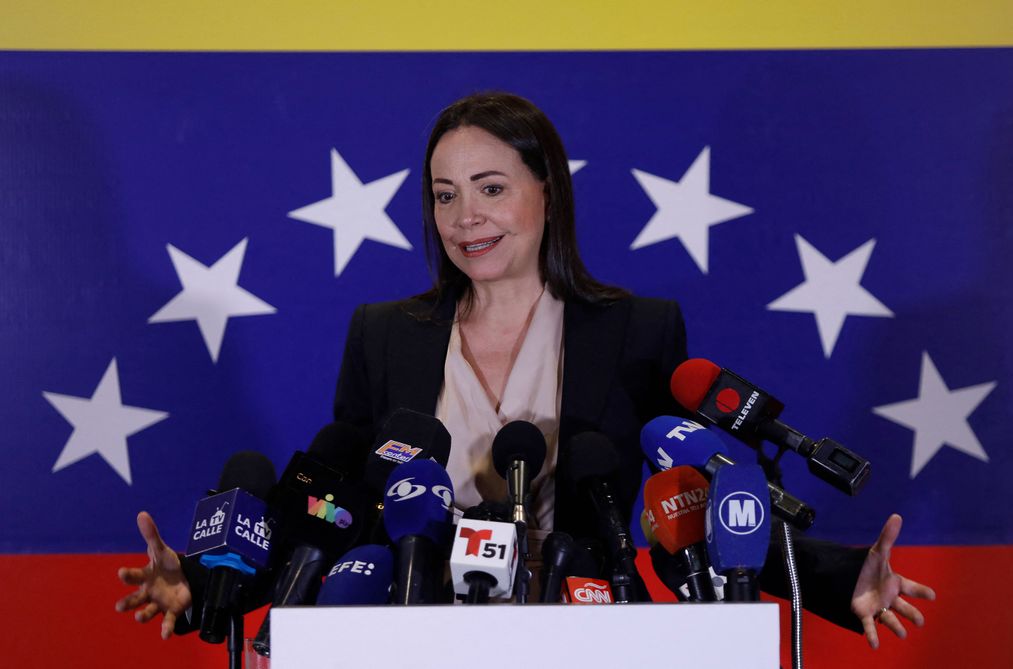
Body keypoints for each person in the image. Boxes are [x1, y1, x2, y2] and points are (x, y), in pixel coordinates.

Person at [116, 91, 935, 649]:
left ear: (547, 192)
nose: (464, 217)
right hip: (414, 637)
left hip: (592, 636)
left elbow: (693, 492)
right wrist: (198, 578)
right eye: (443, 195)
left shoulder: (638, 331)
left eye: (490, 187)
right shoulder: (385, 336)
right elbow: (332, 501)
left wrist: (835, 577)